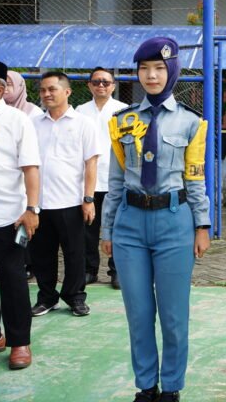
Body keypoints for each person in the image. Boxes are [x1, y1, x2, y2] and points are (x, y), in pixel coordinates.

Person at [101, 37, 211, 402]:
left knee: (174, 316)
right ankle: (146, 386)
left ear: (172, 71)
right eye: (144, 69)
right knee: (138, 313)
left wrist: (202, 225)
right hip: (129, 225)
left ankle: (171, 387)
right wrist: (107, 229)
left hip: (174, 222)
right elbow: (116, 181)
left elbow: (195, 179)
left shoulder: (192, 122)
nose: (151, 75)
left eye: (160, 68)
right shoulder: (122, 122)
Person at [31, 71, 100, 318]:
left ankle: (75, 297)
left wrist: (88, 198)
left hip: (71, 201)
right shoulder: (33, 124)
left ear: (67, 92)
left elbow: (91, 163)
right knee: (41, 255)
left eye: (52, 89)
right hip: (39, 202)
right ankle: (46, 298)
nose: (46, 94)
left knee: (74, 254)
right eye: (43, 90)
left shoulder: (83, 123)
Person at [0, 58, 40, 370]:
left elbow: (31, 167)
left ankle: (19, 342)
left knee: (12, 279)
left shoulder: (17, 120)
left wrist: (32, 209)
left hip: (8, 215)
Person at [76, 67, 128, 288]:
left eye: (106, 82)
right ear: (89, 85)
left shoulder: (123, 110)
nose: (101, 86)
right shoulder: (80, 111)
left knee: (116, 226)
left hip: (115, 178)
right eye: (96, 82)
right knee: (88, 228)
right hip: (88, 180)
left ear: (113, 86)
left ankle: (117, 271)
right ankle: (90, 270)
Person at [3, 70, 43, 282]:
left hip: (26, 177)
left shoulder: (31, 113)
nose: (6, 88)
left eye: (10, 84)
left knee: (25, 222)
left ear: (20, 87)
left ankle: (28, 265)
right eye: (4, 83)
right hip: (3, 183)